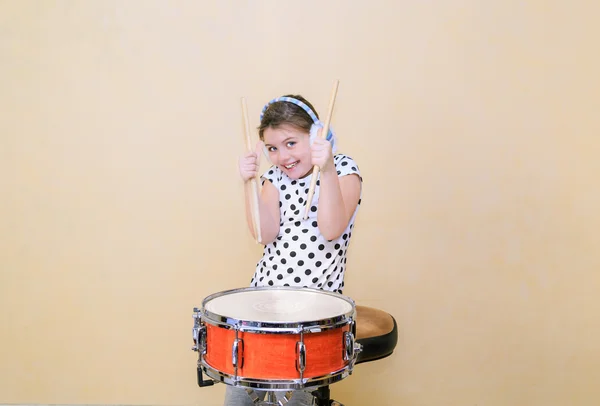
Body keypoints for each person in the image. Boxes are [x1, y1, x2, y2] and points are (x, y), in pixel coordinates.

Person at [224, 94, 363, 406]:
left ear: (316, 137)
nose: (281, 156)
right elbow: (264, 233)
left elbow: (331, 228)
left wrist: (325, 169)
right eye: (272, 148)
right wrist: (248, 184)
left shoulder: (343, 169)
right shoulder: (274, 177)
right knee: (240, 394)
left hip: (314, 308)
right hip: (265, 299)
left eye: (290, 143)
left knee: (294, 399)